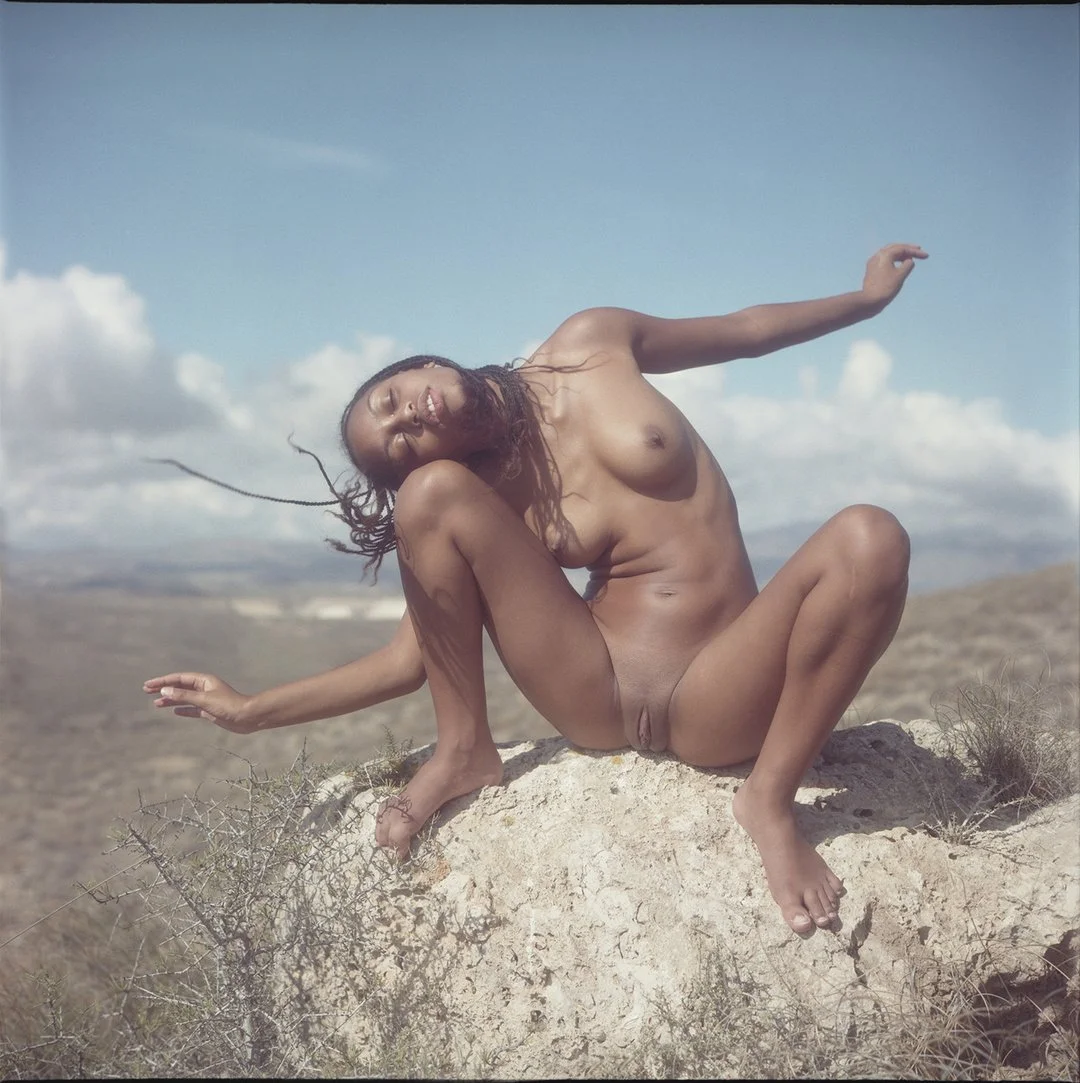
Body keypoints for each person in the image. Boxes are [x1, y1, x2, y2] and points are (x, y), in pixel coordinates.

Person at [144, 243, 927, 935]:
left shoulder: (592, 342)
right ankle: (464, 750)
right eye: (401, 444)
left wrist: (863, 300)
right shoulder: (476, 492)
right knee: (433, 501)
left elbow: (750, 330)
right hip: (595, 688)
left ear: (414, 365)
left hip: (723, 695)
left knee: (870, 536)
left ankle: (768, 797)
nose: (409, 421)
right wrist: (250, 712)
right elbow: (408, 658)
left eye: (392, 403)